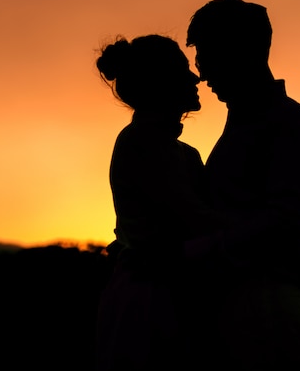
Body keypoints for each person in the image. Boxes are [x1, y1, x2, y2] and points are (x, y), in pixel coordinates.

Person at [185, 0, 300, 369]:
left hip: (264, 308)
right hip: (234, 303)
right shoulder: (245, 124)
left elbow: (287, 222)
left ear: (243, 51)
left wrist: (195, 251)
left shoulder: (291, 125)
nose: (202, 73)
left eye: (207, 57)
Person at [94, 34, 225, 371]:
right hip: (151, 302)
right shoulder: (142, 143)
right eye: (183, 69)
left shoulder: (180, 151)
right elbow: (194, 218)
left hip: (171, 292)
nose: (195, 78)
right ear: (161, 81)